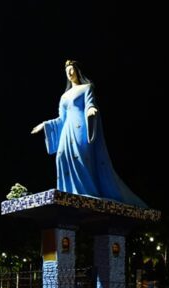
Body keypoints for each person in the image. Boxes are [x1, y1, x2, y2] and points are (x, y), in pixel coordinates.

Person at [31, 60, 147, 208]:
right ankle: (68, 191)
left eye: (72, 69)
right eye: (67, 70)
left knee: (81, 157)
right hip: (67, 130)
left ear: (78, 71)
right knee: (61, 156)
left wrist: (91, 110)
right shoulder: (64, 96)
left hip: (80, 127)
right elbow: (61, 119)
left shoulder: (87, 88)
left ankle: (86, 192)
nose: (69, 72)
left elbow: (90, 103)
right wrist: (45, 124)